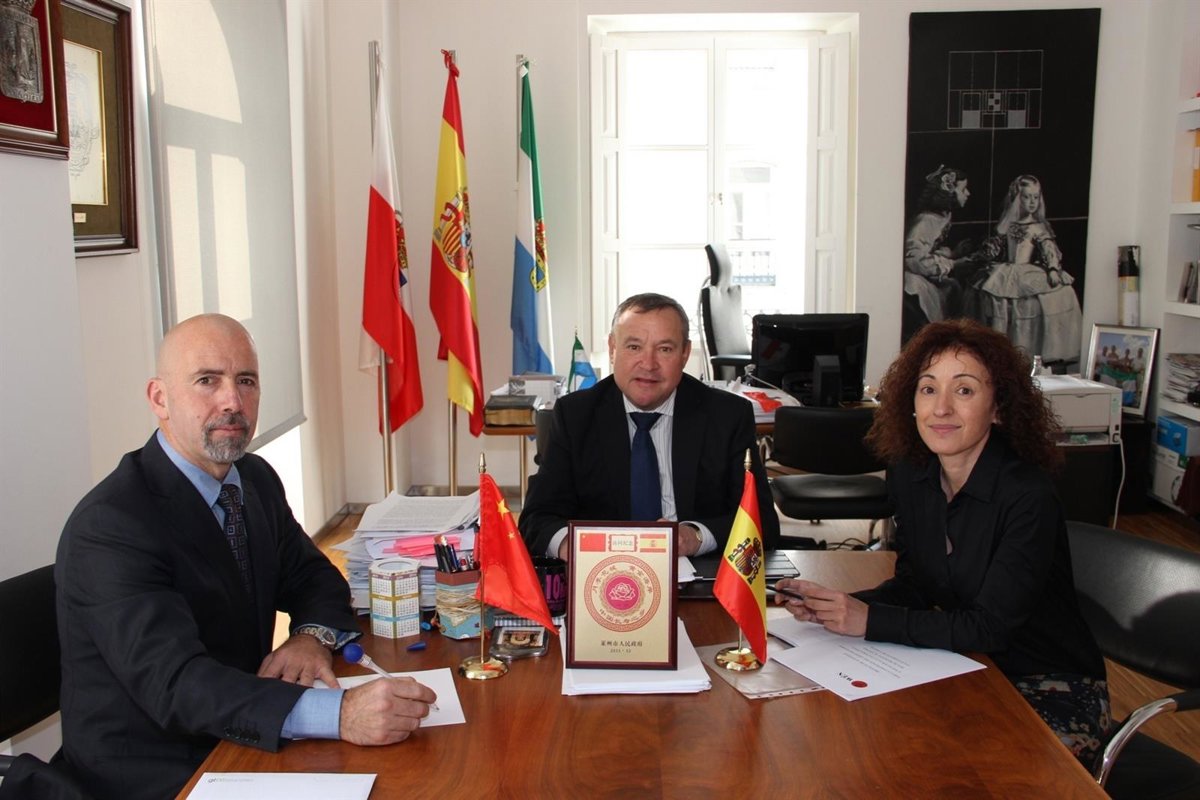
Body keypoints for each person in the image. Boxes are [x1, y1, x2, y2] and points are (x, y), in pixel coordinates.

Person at [55, 314, 437, 800]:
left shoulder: (251, 479)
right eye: (207, 381)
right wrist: (339, 715)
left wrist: (311, 638)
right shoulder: (111, 525)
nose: (232, 401)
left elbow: (315, 578)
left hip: (241, 733)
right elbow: (176, 683)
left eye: (246, 381)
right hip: (156, 771)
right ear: (159, 398)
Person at [774, 319, 1110, 769]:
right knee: (860, 745)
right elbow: (916, 584)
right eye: (928, 389)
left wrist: (868, 620)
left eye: (964, 390)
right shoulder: (912, 473)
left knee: (945, 770)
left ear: (998, 407)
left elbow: (990, 627)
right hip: (967, 665)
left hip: (1048, 683)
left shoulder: (1028, 495)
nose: (941, 408)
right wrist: (837, 607)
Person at [519, 293, 779, 559]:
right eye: (634, 347)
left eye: (665, 349)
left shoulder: (727, 416)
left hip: (696, 568)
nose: (648, 364)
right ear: (612, 349)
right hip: (601, 571)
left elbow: (763, 521)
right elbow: (536, 520)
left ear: (684, 353)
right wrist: (575, 546)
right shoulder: (575, 415)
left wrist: (695, 537)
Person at [964, 174, 1082, 365]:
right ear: (1017, 198)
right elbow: (995, 247)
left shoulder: (1038, 226)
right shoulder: (1007, 224)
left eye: (1036, 197)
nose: (1032, 202)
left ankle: (1027, 352)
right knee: (995, 296)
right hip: (1006, 270)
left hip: (1027, 271)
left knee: (1054, 295)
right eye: (1027, 197)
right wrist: (989, 250)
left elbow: (1048, 248)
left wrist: (1053, 268)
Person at [902, 165, 974, 338]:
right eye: (963, 189)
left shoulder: (942, 216)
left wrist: (952, 254)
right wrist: (953, 264)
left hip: (922, 274)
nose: (968, 193)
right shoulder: (927, 220)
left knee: (954, 288)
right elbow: (913, 258)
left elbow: (928, 249)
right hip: (912, 282)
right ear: (949, 191)